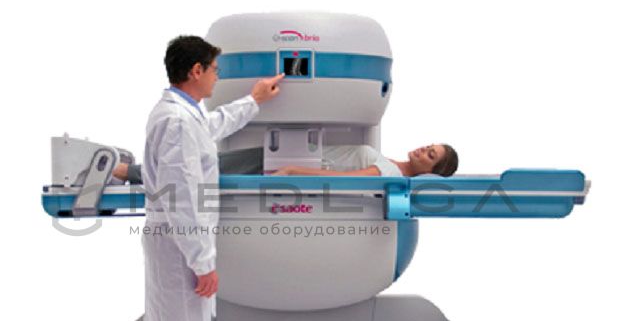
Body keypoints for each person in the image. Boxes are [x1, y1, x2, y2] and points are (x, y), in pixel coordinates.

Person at [119, 35, 283, 321]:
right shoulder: (176, 121)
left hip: (173, 243)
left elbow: (211, 128)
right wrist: (202, 263)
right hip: (180, 248)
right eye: (214, 70)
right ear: (196, 71)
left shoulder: (180, 115)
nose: (216, 77)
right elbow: (182, 199)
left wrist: (254, 100)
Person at [113, 142, 459, 181]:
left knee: (203, 165)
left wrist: (293, 170)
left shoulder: (388, 172)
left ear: (432, 172)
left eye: (430, 156)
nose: (423, 150)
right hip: (285, 155)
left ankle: (127, 171)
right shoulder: (391, 162)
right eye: (429, 146)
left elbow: (344, 179)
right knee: (206, 162)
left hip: (284, 163)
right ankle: (135, 170)